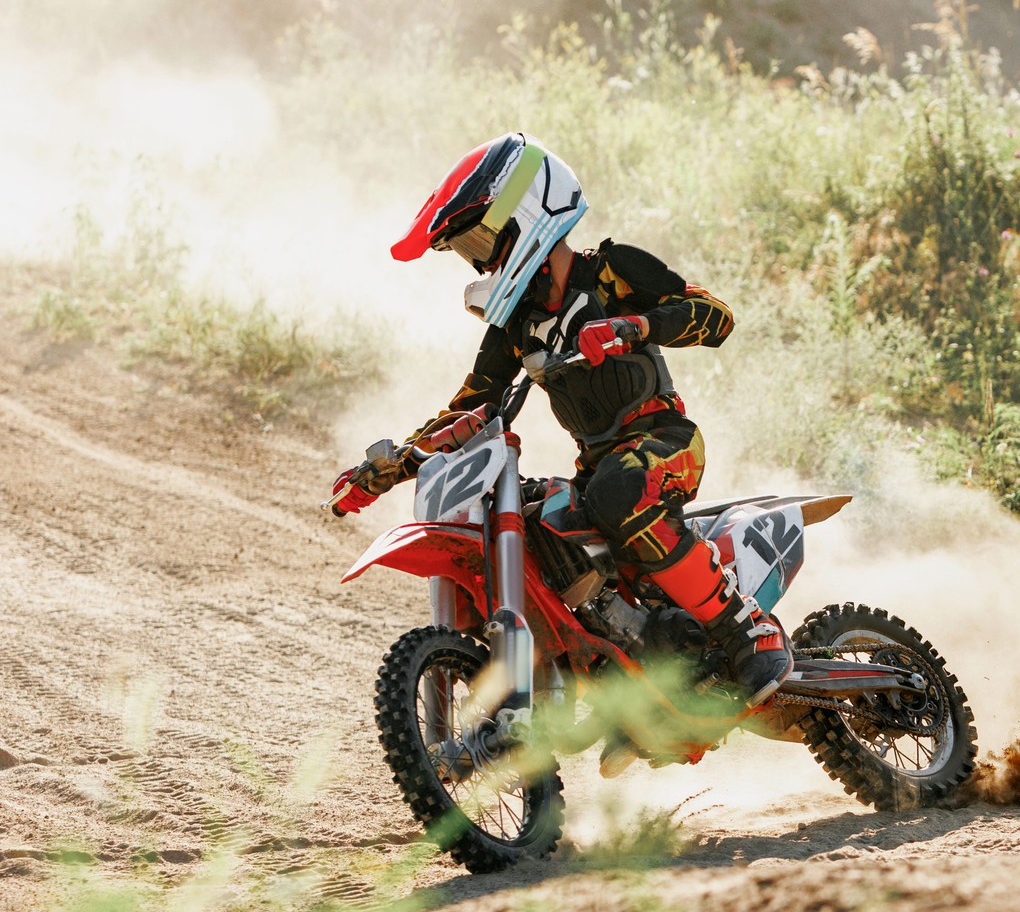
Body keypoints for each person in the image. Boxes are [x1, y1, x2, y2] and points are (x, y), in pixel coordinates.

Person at [328, 132, 794, 706]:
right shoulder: (515, 326)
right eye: (469, 250)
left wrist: (634, 327)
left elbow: (714, 316)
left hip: (665, 443)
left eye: (481, 240)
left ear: (527, 215)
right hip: (598, 467)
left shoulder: (611, 272)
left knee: (619, 492)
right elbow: (471, 404)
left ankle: (746, 626)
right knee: (540, 516)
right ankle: (619, 677)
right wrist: (389, 466)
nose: (479, 261)